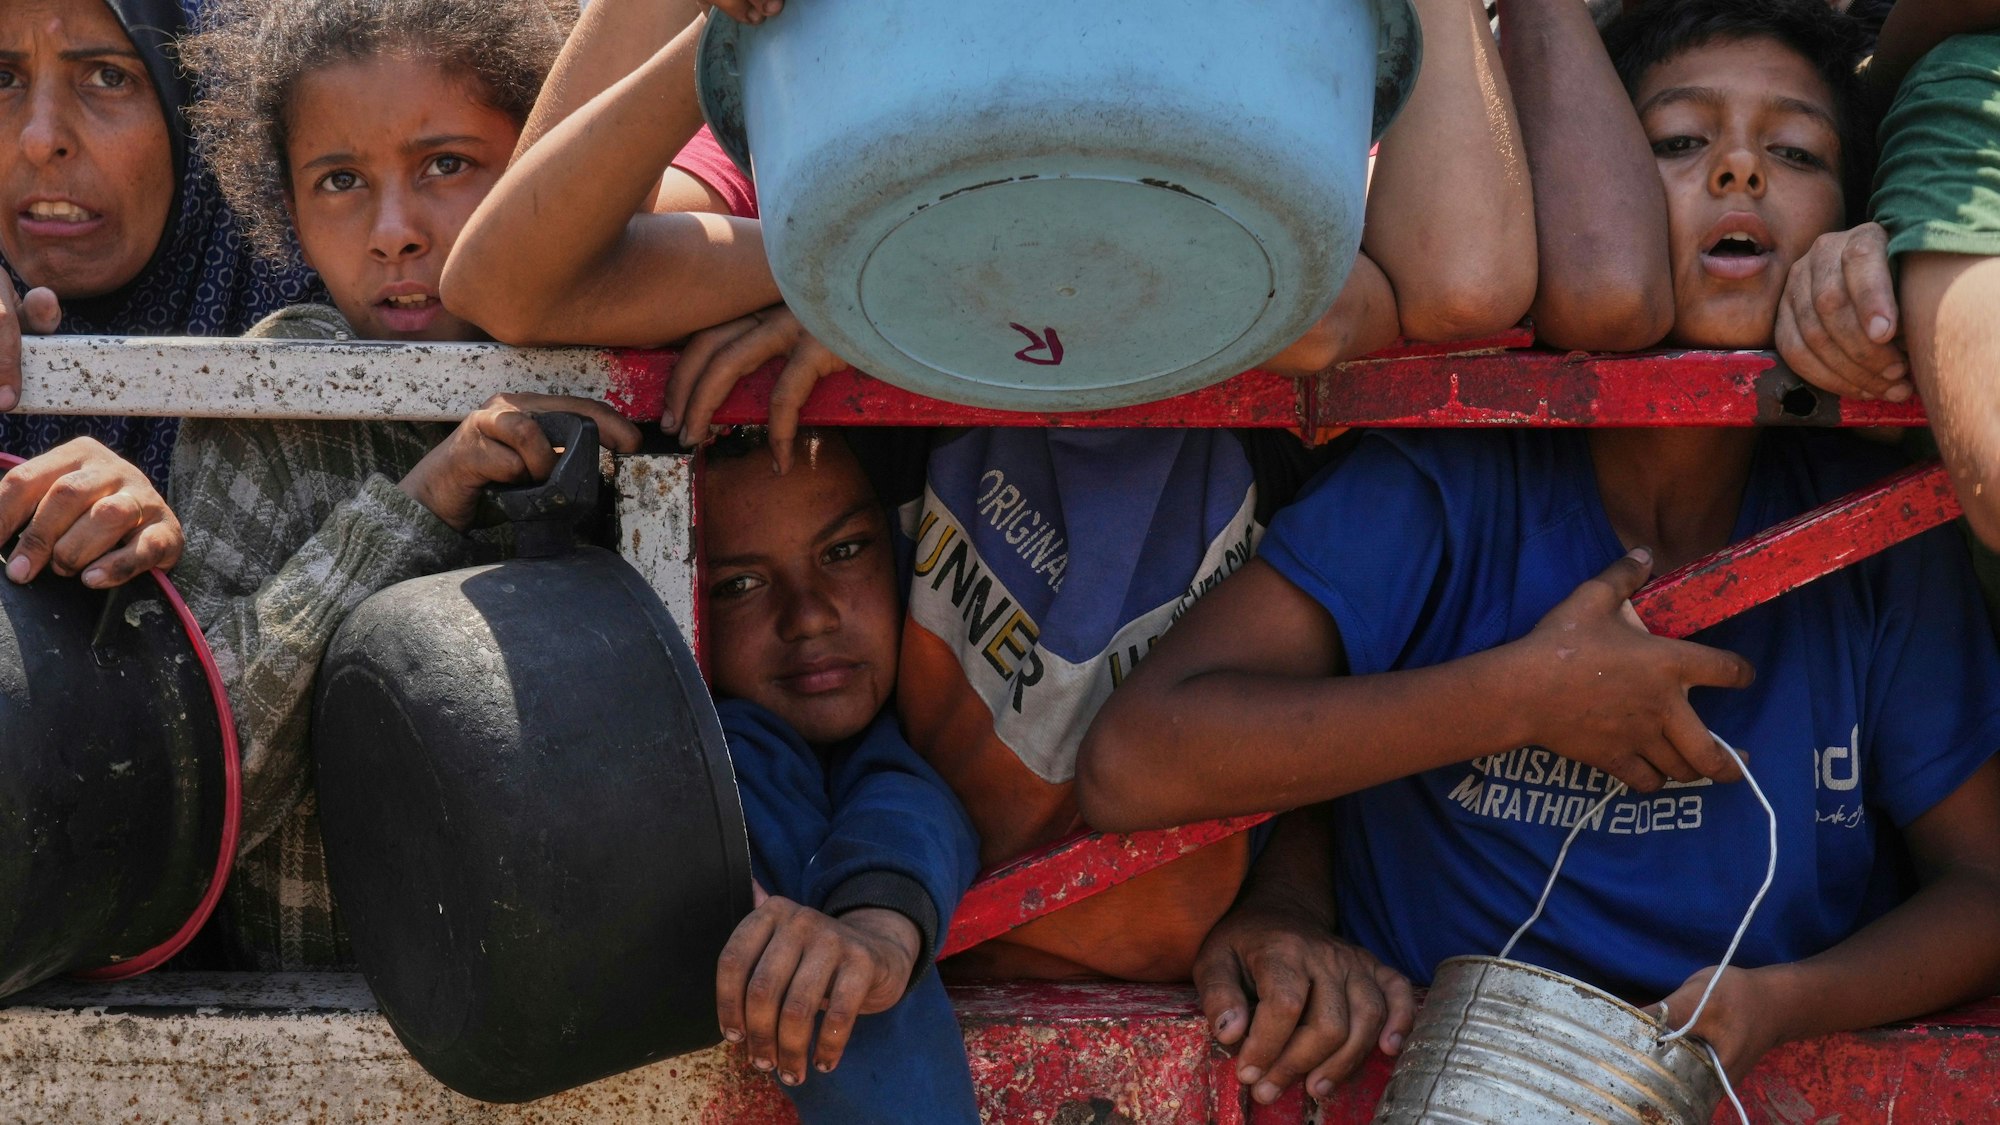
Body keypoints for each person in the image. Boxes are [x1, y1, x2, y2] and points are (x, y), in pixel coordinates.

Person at [453, 0, 1538, 984]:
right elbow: (514, 281)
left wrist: (914, 298)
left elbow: (1453, 288)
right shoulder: (822, 80)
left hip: (1186, 936)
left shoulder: (1265, 75)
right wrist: (841, 264)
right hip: (917, 909)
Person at [1080, 0, 2000, 1103]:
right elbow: (1133, 761)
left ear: (1845, 232)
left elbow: (1981, 886)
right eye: (1676, 141)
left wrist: (1789, 1002)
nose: (1740, 172)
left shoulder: (1872, 529)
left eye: (1795, 151)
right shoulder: (1451, 484)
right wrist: (1520, 698)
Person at [159, 0, 643, 970]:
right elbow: (210, 790)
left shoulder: (636, 347)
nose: (393, 233)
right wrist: (424, 498)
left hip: (571, 1004)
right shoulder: (269, 399)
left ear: (540, 162)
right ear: (286, 209)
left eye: (446, 165)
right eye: (339, 181)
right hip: (308, 1024)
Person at [703, 427, 982, 1124]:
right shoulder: (728, 748)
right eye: (738, 584)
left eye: (844, 551)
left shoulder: (925, 716)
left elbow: (907, 802)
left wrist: (878, 930)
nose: (809, 615)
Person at [0, 0, 318, 588]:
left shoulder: (334, 318)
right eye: (3, 78)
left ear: (203, 113)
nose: (40, 139)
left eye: (108, 76)